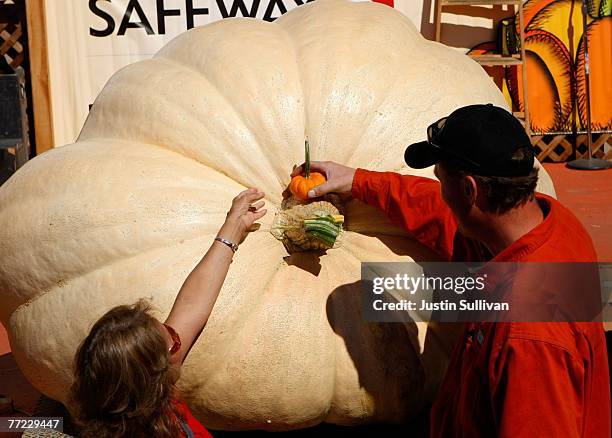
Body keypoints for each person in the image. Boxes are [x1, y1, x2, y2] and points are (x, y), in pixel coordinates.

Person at [291, 104, 611, 437]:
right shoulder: (547, 222)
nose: (440, 191)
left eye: (441, 180)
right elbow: (434, 210)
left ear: (470, 190)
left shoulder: (529, 337)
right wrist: (358, 181)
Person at [70, 188, 267, 438]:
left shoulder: (130, 400)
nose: (179, 338)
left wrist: (233, 227)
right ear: (154, 378)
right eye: (173, 344)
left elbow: (191, 305)